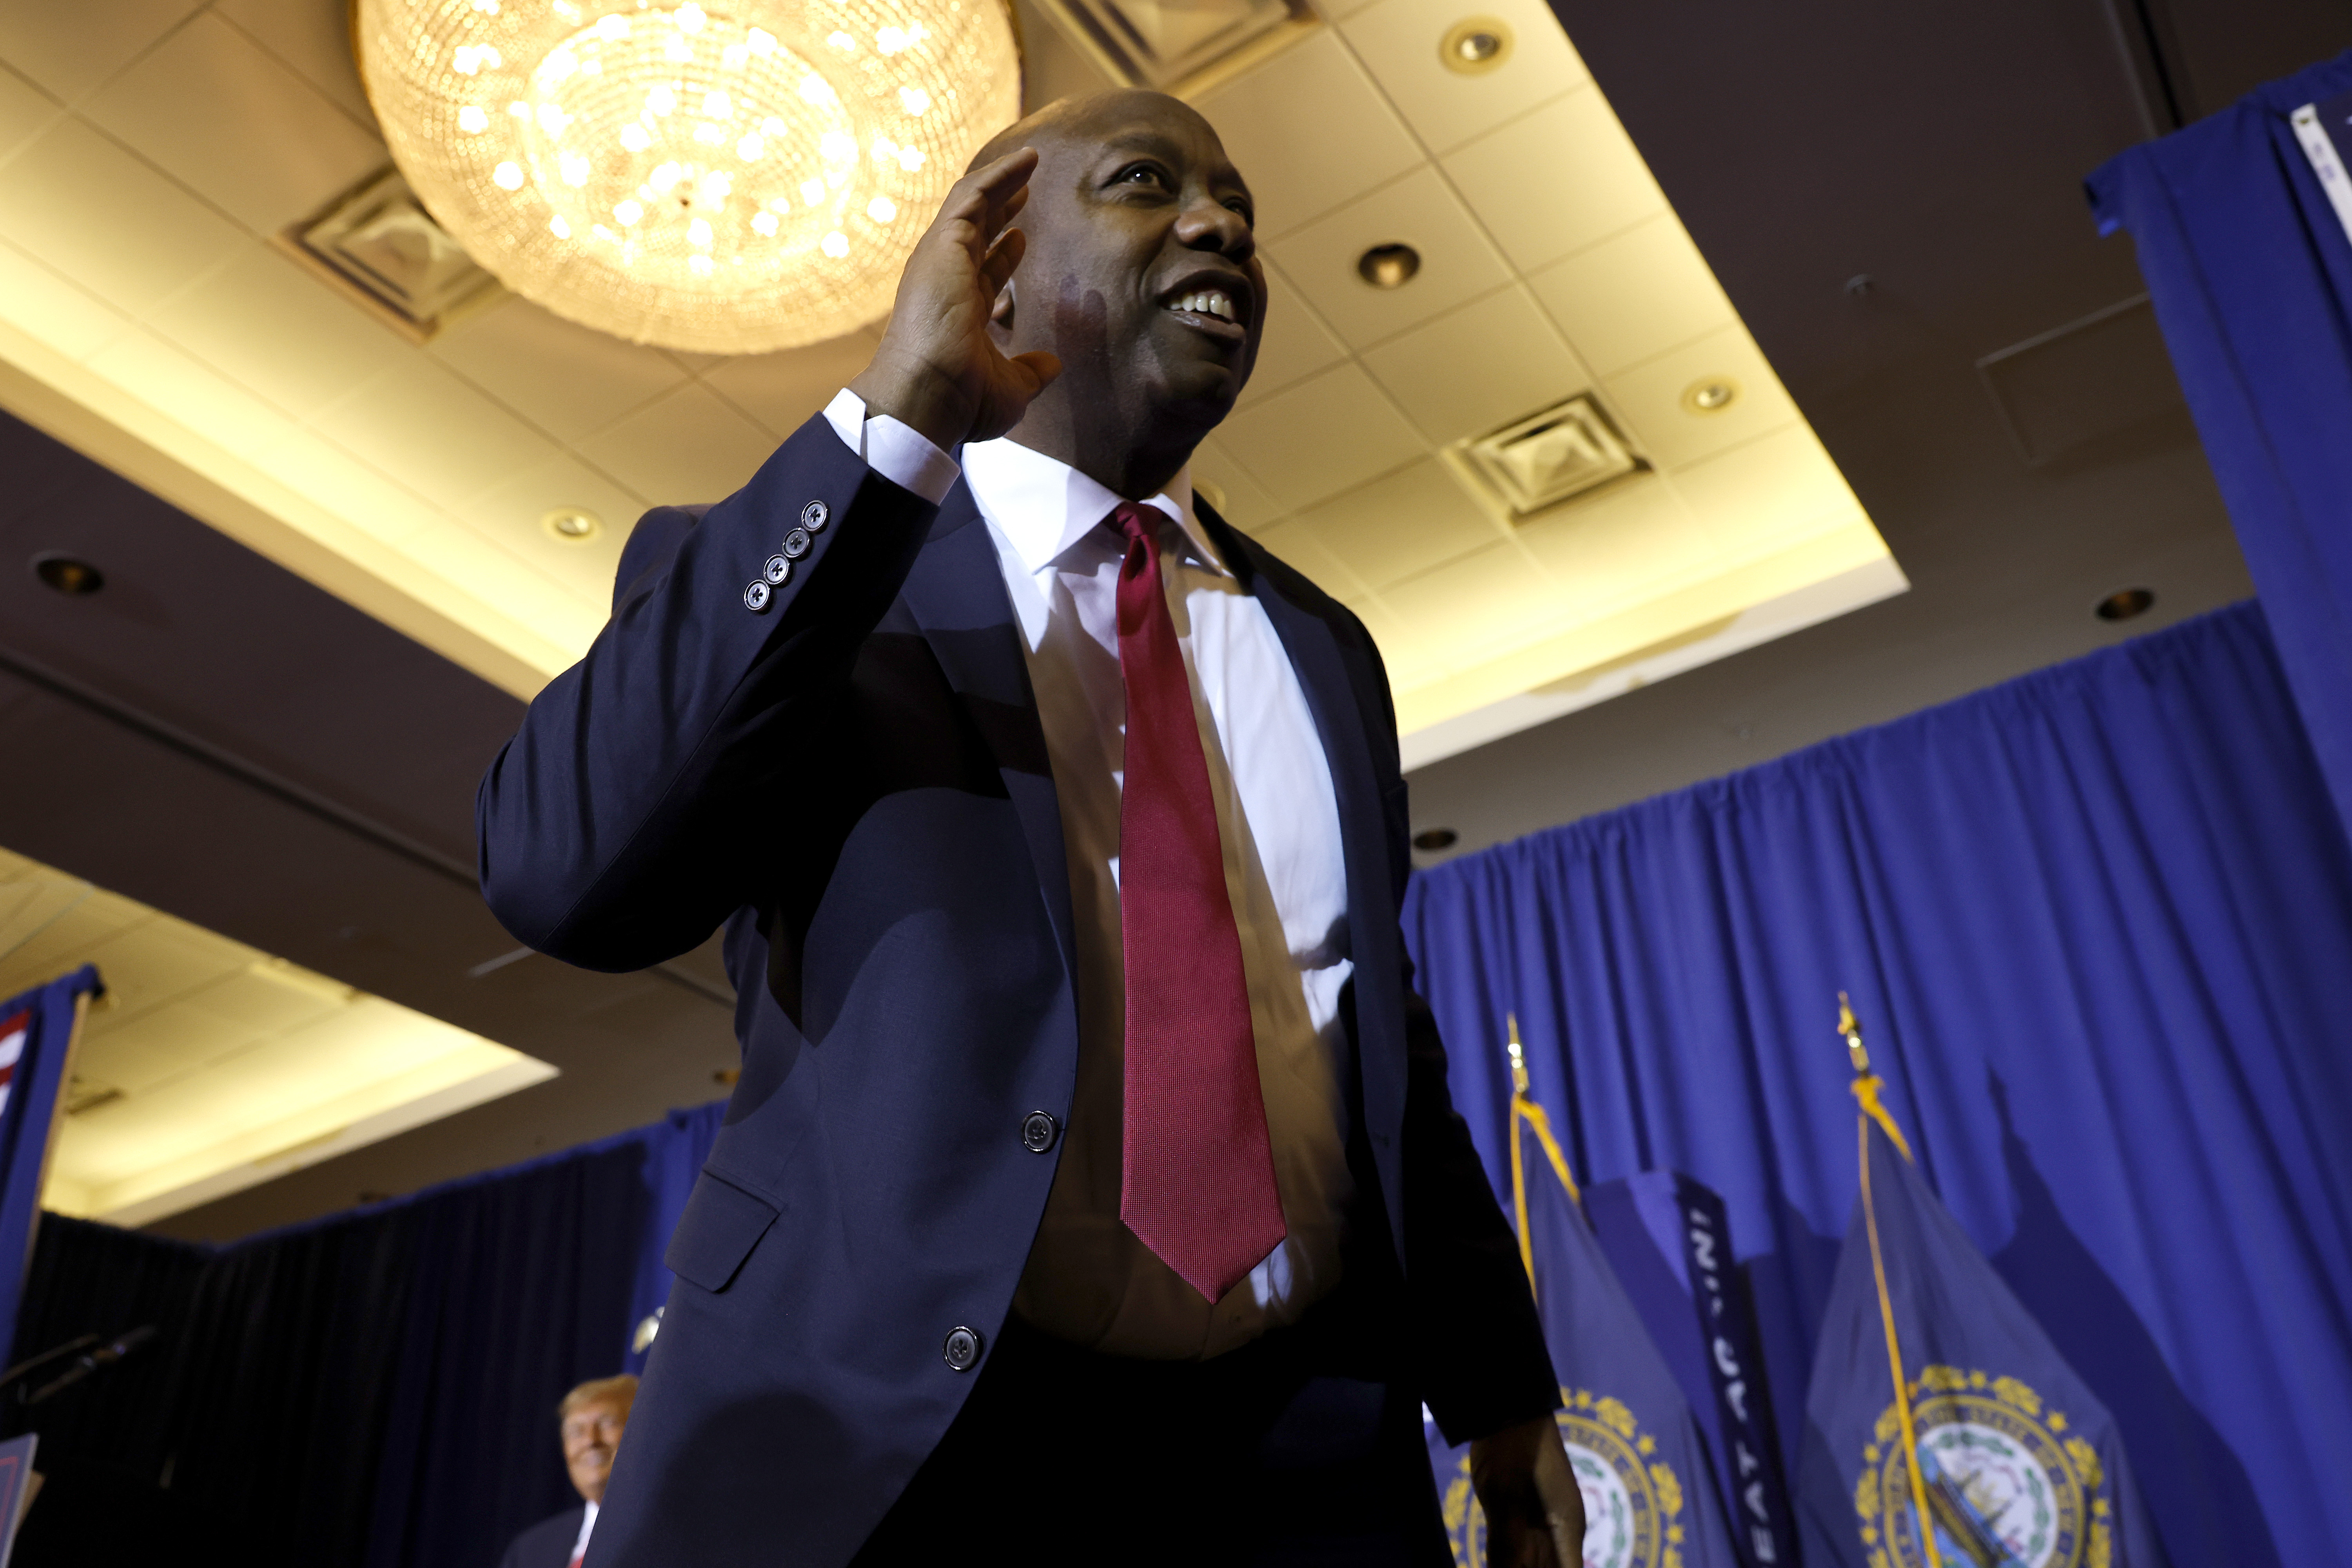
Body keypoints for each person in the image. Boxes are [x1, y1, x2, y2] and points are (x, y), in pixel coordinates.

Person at [478, 88, 1584, 1566]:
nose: (1221, 226)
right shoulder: (818, 583)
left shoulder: (1323, 647)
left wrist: (1502, 1395)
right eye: (1149, 183)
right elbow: (561, 872)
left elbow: (1374, 1042)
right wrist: (892, 422)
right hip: (909, 1452)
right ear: (993, 266)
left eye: (1240, 205)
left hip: (1302, 1458)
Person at [498, 1375, 637, 1568]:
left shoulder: (677, 1530)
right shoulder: (529, 1550)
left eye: (607, 1423)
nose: (590, 1441)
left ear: (641, 1434)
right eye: (576, 1432)